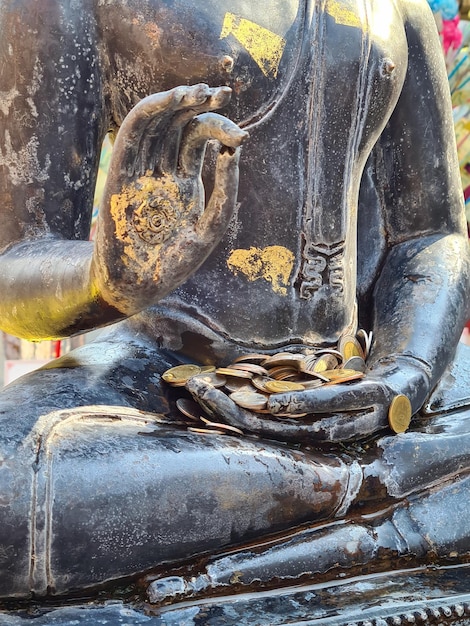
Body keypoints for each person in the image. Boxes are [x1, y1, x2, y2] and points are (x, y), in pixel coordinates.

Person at [0, 0, 469, 615]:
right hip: (160, 386)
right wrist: (106, 280)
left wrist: (402, 375)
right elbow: (15, 261)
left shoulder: (395, 9)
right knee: (11, 498)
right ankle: (371, 492)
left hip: (361, 382)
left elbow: (429, 233)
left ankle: (329, 495)